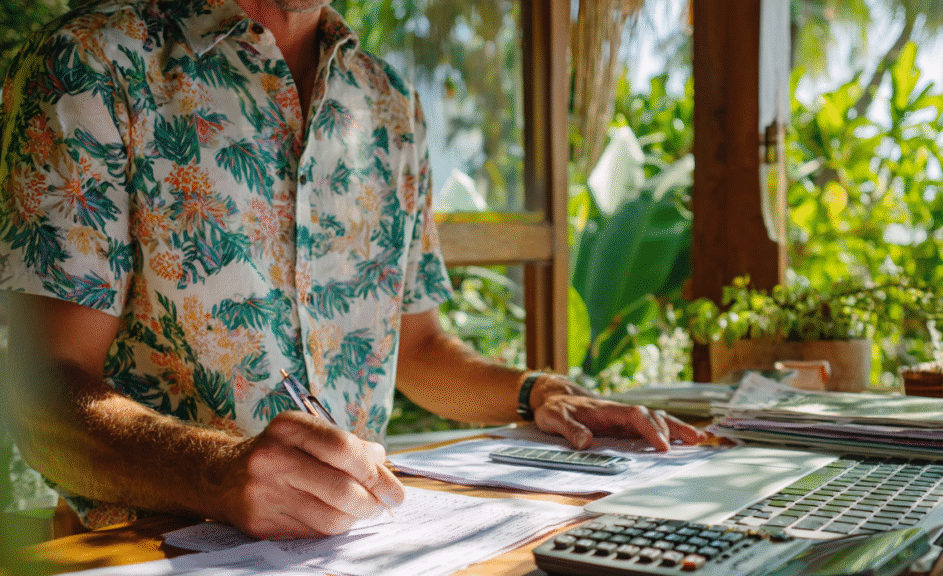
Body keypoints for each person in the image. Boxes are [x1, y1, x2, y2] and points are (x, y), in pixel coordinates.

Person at [0, 0, 706, 540]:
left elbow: (420, 349)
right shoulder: (93, 64)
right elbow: (41, 400)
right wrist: (216, 474)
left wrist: (540, 393)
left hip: (361, 559)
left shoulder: (386, 101)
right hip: (145, 565)